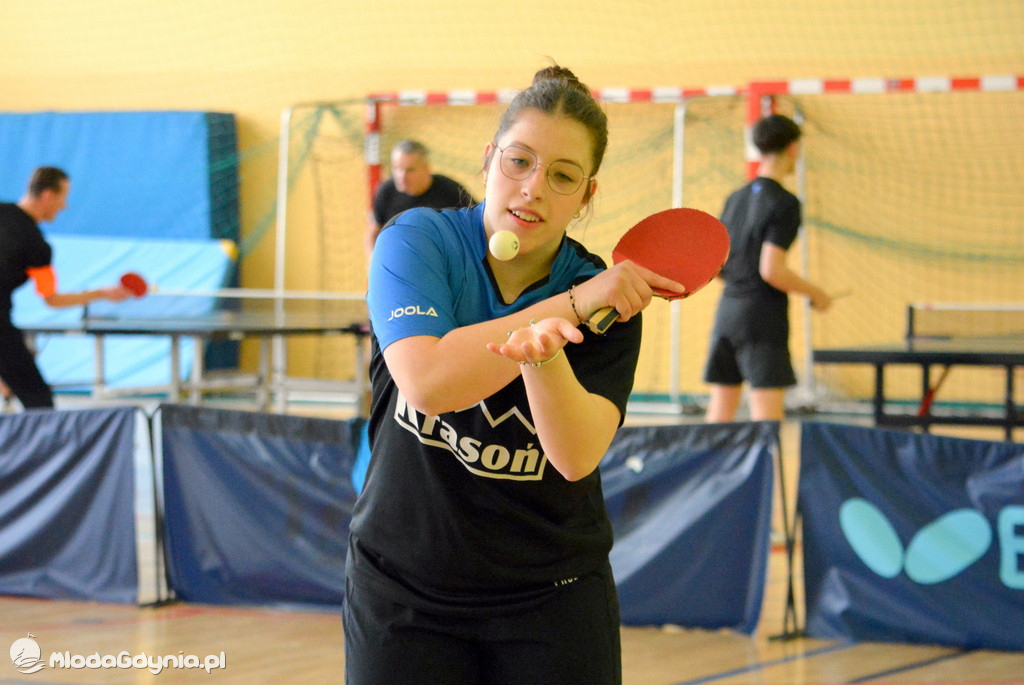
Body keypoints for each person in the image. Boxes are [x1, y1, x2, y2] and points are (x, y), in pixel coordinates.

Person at [343, 66, 686, 685]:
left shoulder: (607, 295)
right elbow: (427, 382)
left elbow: (575, 455)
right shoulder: (417, 242)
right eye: (519, 162)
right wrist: (572, 307)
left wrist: (547, 354)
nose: (532, 189)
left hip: (550, 597)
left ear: (586, 196)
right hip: (402, 591)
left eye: (561, 176)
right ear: (487, 160)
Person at [703, 114, 832, 423]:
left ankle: (710, 473)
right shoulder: (785, 203)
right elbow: (771, 270)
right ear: (792, 149)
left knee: (719, 414)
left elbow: (716, 267)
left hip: (727, 313)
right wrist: (817, 294)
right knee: (767, 420)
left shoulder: (735, 199)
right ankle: (769, 473)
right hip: (762, 316)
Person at [0, 167, 132, 410]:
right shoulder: (37, 246)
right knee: (40, 403)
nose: (65, 206)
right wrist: (101, 293)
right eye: (63, 198)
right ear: (48, 195)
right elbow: (52, 299)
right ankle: (42, 448)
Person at [364, 139, 476, 257]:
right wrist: (373, 264)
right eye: (397, 168)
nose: (402, 176)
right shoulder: (386, 191)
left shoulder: (451, 191)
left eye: (410, 170)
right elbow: (373, 232)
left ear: (426, 169)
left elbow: (476, 224)